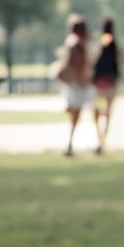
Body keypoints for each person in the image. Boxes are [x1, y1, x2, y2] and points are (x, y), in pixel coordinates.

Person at [53, 14, 92, 156]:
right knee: (77, 115)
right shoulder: (80, 43)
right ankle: (70, 144)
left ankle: (70, 144)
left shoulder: (73, 42)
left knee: (76, 115)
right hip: (77, 84)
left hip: (75, 83)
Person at [91, 15, 120, 152]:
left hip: (101, 81)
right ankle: (102, 141)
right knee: (107, 112)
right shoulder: (113, 42)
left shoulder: (104, 40)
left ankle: (100, 140)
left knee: (98, 111)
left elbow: (97, 58)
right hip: (111, 81)